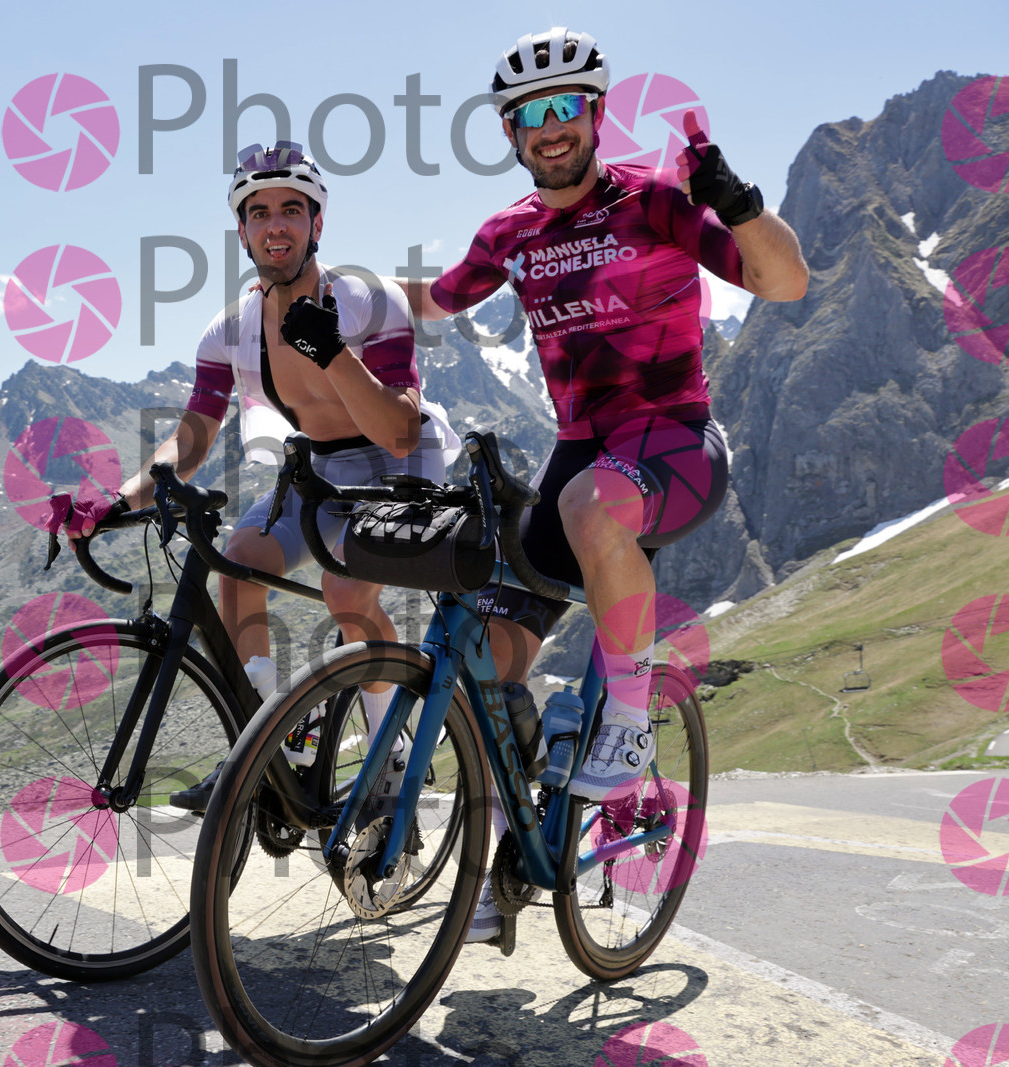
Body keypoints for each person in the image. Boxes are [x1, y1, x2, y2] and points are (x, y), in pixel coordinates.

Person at [393, 27, 807, 942]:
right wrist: (332, 292)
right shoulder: (510, 233)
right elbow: (433, 300)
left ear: (595, 112)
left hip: (674, 441)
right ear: (510, 130)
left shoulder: (656, 203)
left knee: (589, 505)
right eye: (529, 113)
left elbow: (782, 281)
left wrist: (736, 203)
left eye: (565, 107)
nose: (550, 127)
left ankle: (625, 722)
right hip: (579, 456)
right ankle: (515, 853)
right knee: (484, 654)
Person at [63, 141, 457, 810]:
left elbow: (398, 428)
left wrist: (331, 353)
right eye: (259, 212)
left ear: (317, 222)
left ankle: (390, 746)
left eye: (291, 210)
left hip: (400, 465)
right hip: (320, 468)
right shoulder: (231, 328)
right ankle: (274, 739)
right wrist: (117, 500)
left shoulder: (370, 299)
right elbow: (192, 436)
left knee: (345, 590)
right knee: (237, 563)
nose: (276, 225)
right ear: (242, 231)